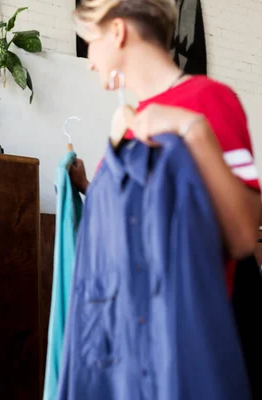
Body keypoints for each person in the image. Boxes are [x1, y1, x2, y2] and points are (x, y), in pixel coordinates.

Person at [69, 0, 260, 295]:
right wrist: (85, 186)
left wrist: (192, 130)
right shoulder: (130, 122)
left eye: (91, 41)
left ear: (118, 31)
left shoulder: (209, 99)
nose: (91, 60)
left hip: (187, 321)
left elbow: (245, 235)